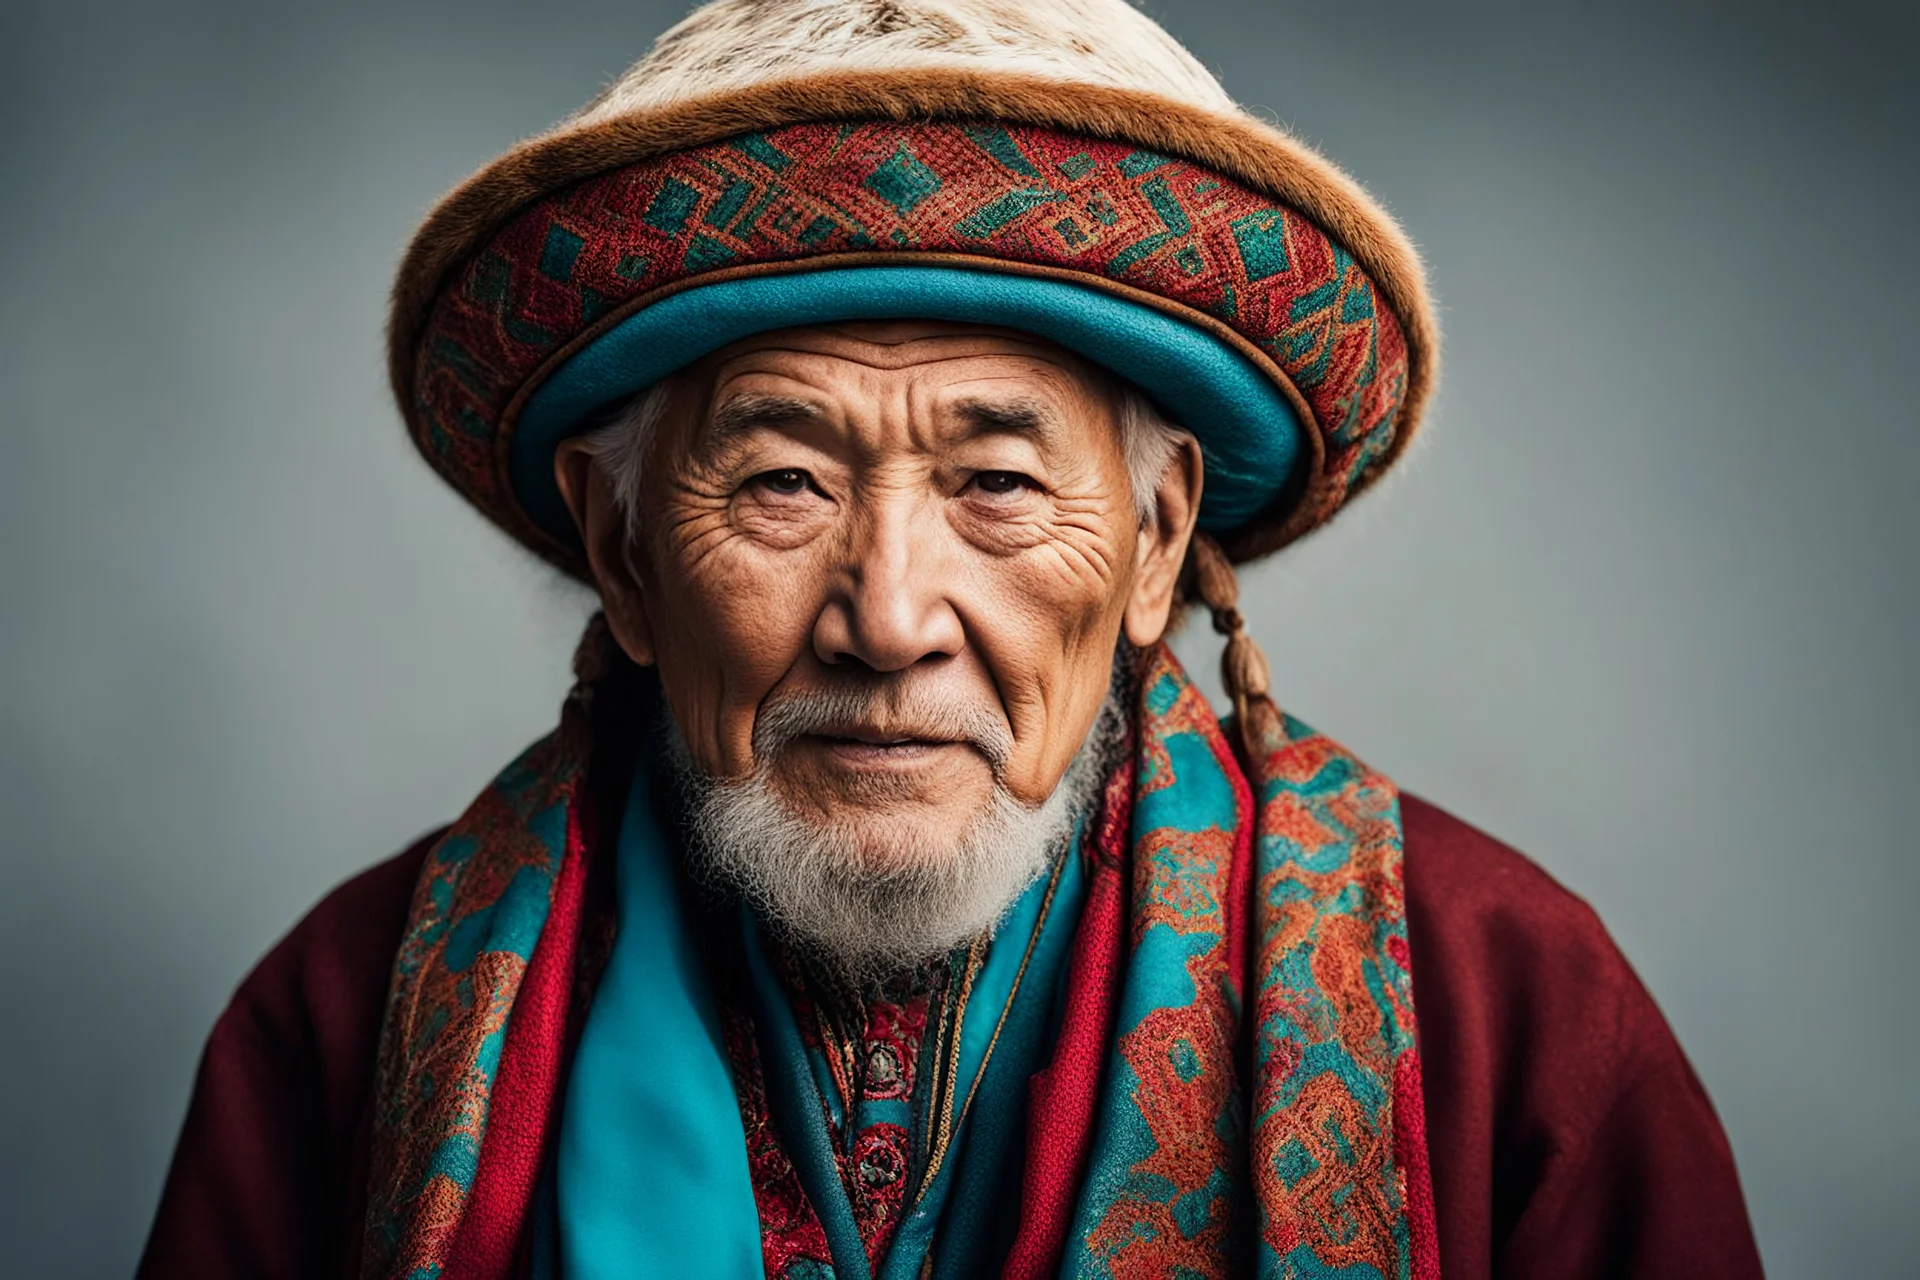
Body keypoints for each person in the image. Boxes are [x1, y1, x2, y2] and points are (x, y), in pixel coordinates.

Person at [138, 2, 1762, 1276]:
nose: (890, 618)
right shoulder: (348, 1028)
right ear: (623, 554)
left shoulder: (1504, 1013)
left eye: (995, 482)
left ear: (1156, 545)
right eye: (780, 481)